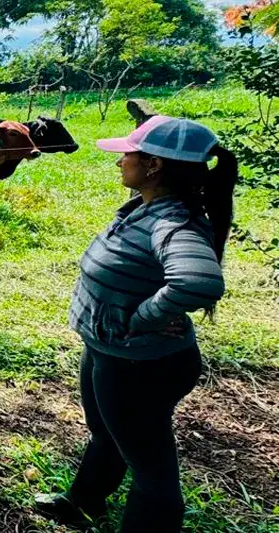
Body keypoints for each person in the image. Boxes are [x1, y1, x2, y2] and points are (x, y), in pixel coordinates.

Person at [35, 116, 235, 532]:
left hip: (139, 364)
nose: (119, 161)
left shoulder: (172, 221)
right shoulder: (144, 210)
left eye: (128, 153)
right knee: (106, 433)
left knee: (153, 473)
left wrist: (141, 319)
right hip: (111, 352)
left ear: (154, 165)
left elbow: (198, 282)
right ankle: (83, 502)